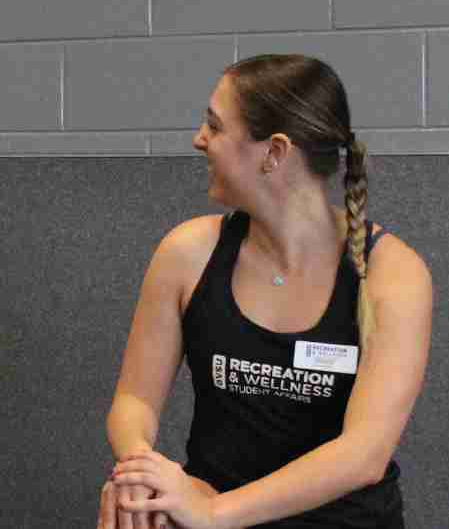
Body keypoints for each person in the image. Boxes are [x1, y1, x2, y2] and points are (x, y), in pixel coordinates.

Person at [99, 54, 432, 529]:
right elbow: (134, 400)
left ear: (274, 152)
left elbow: (364, 454)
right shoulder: (187, 252)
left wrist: (215, 512)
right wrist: (139, 470)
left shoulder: (392, 274)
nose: (199, 139)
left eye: (214, 126)